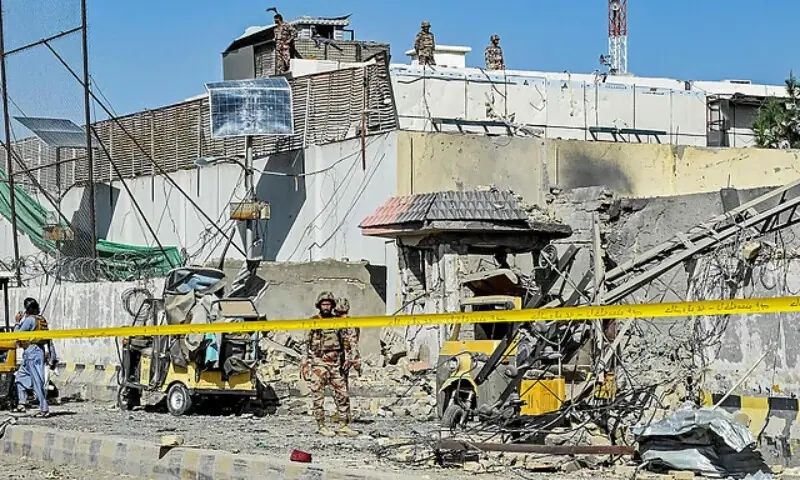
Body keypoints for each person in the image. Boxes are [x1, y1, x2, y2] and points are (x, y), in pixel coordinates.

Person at [301, 292, 359, 437]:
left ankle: (343, 425)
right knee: (318, 396)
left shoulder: (337, 321)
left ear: (332, 305)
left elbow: (346, 339)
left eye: (328, 304)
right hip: (319, 363)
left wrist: (350, 358)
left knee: (342, 394)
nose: (326, 306)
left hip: (335, 363)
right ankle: (321, 425)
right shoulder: (313, 321)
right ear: (319, 305)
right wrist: (304, 362)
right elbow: (305, 342)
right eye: (323, 304)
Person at [14, 298, 56, 417]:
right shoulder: (41, 319)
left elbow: (17, 334)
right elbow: (48, 338)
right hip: (36, 352)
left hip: (32, 352)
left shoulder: (30, 320)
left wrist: (17, 322)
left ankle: (44, 409)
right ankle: (21, 403)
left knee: (37, 381)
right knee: (20, 377)